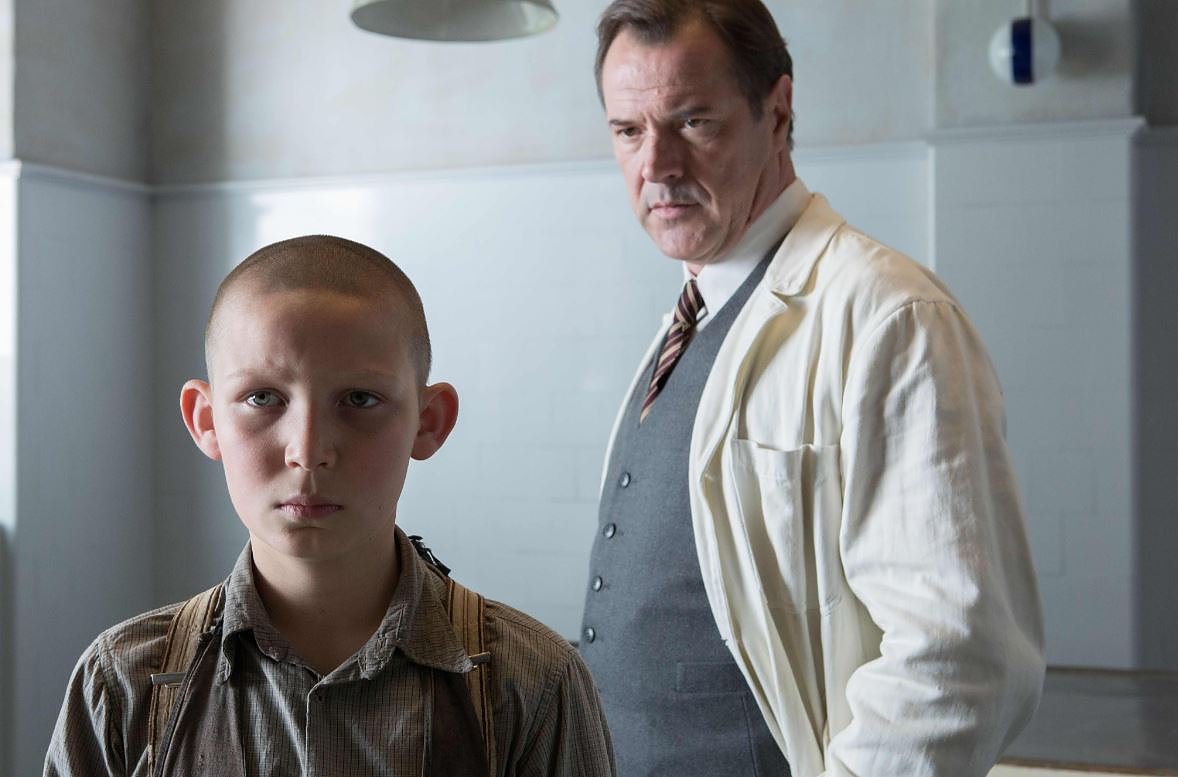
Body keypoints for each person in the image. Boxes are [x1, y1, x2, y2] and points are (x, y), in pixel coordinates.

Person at [577, 1, 1045, 775]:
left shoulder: (889, 315)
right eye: (628, 130)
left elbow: (960, 654)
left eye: (693, 122)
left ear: (779, 111)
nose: (656, 165)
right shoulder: (693, 318)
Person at [45, 235, 615, 777]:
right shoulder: (124, 682)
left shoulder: (532, 683)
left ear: (428, 422)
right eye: (262, 398)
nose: (308, 450)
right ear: (206, 420)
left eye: (359, 399)